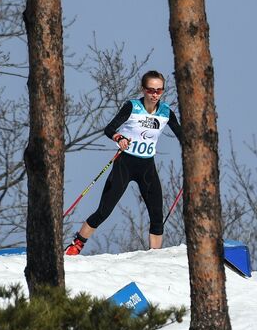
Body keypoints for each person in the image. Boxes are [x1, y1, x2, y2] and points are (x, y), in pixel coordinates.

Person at [65, 70, 182, 255]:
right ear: (143, 89)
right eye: (151, 90)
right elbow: (109, 128)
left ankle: (155, 258)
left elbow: (183, 137)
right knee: (104, 211)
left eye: (159, 90)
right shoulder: (132, 107)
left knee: (157, 216)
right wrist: (119, 137)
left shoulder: (166, 112)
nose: (155, 95)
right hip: (125, 164)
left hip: (147, 167)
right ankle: (76, 245)